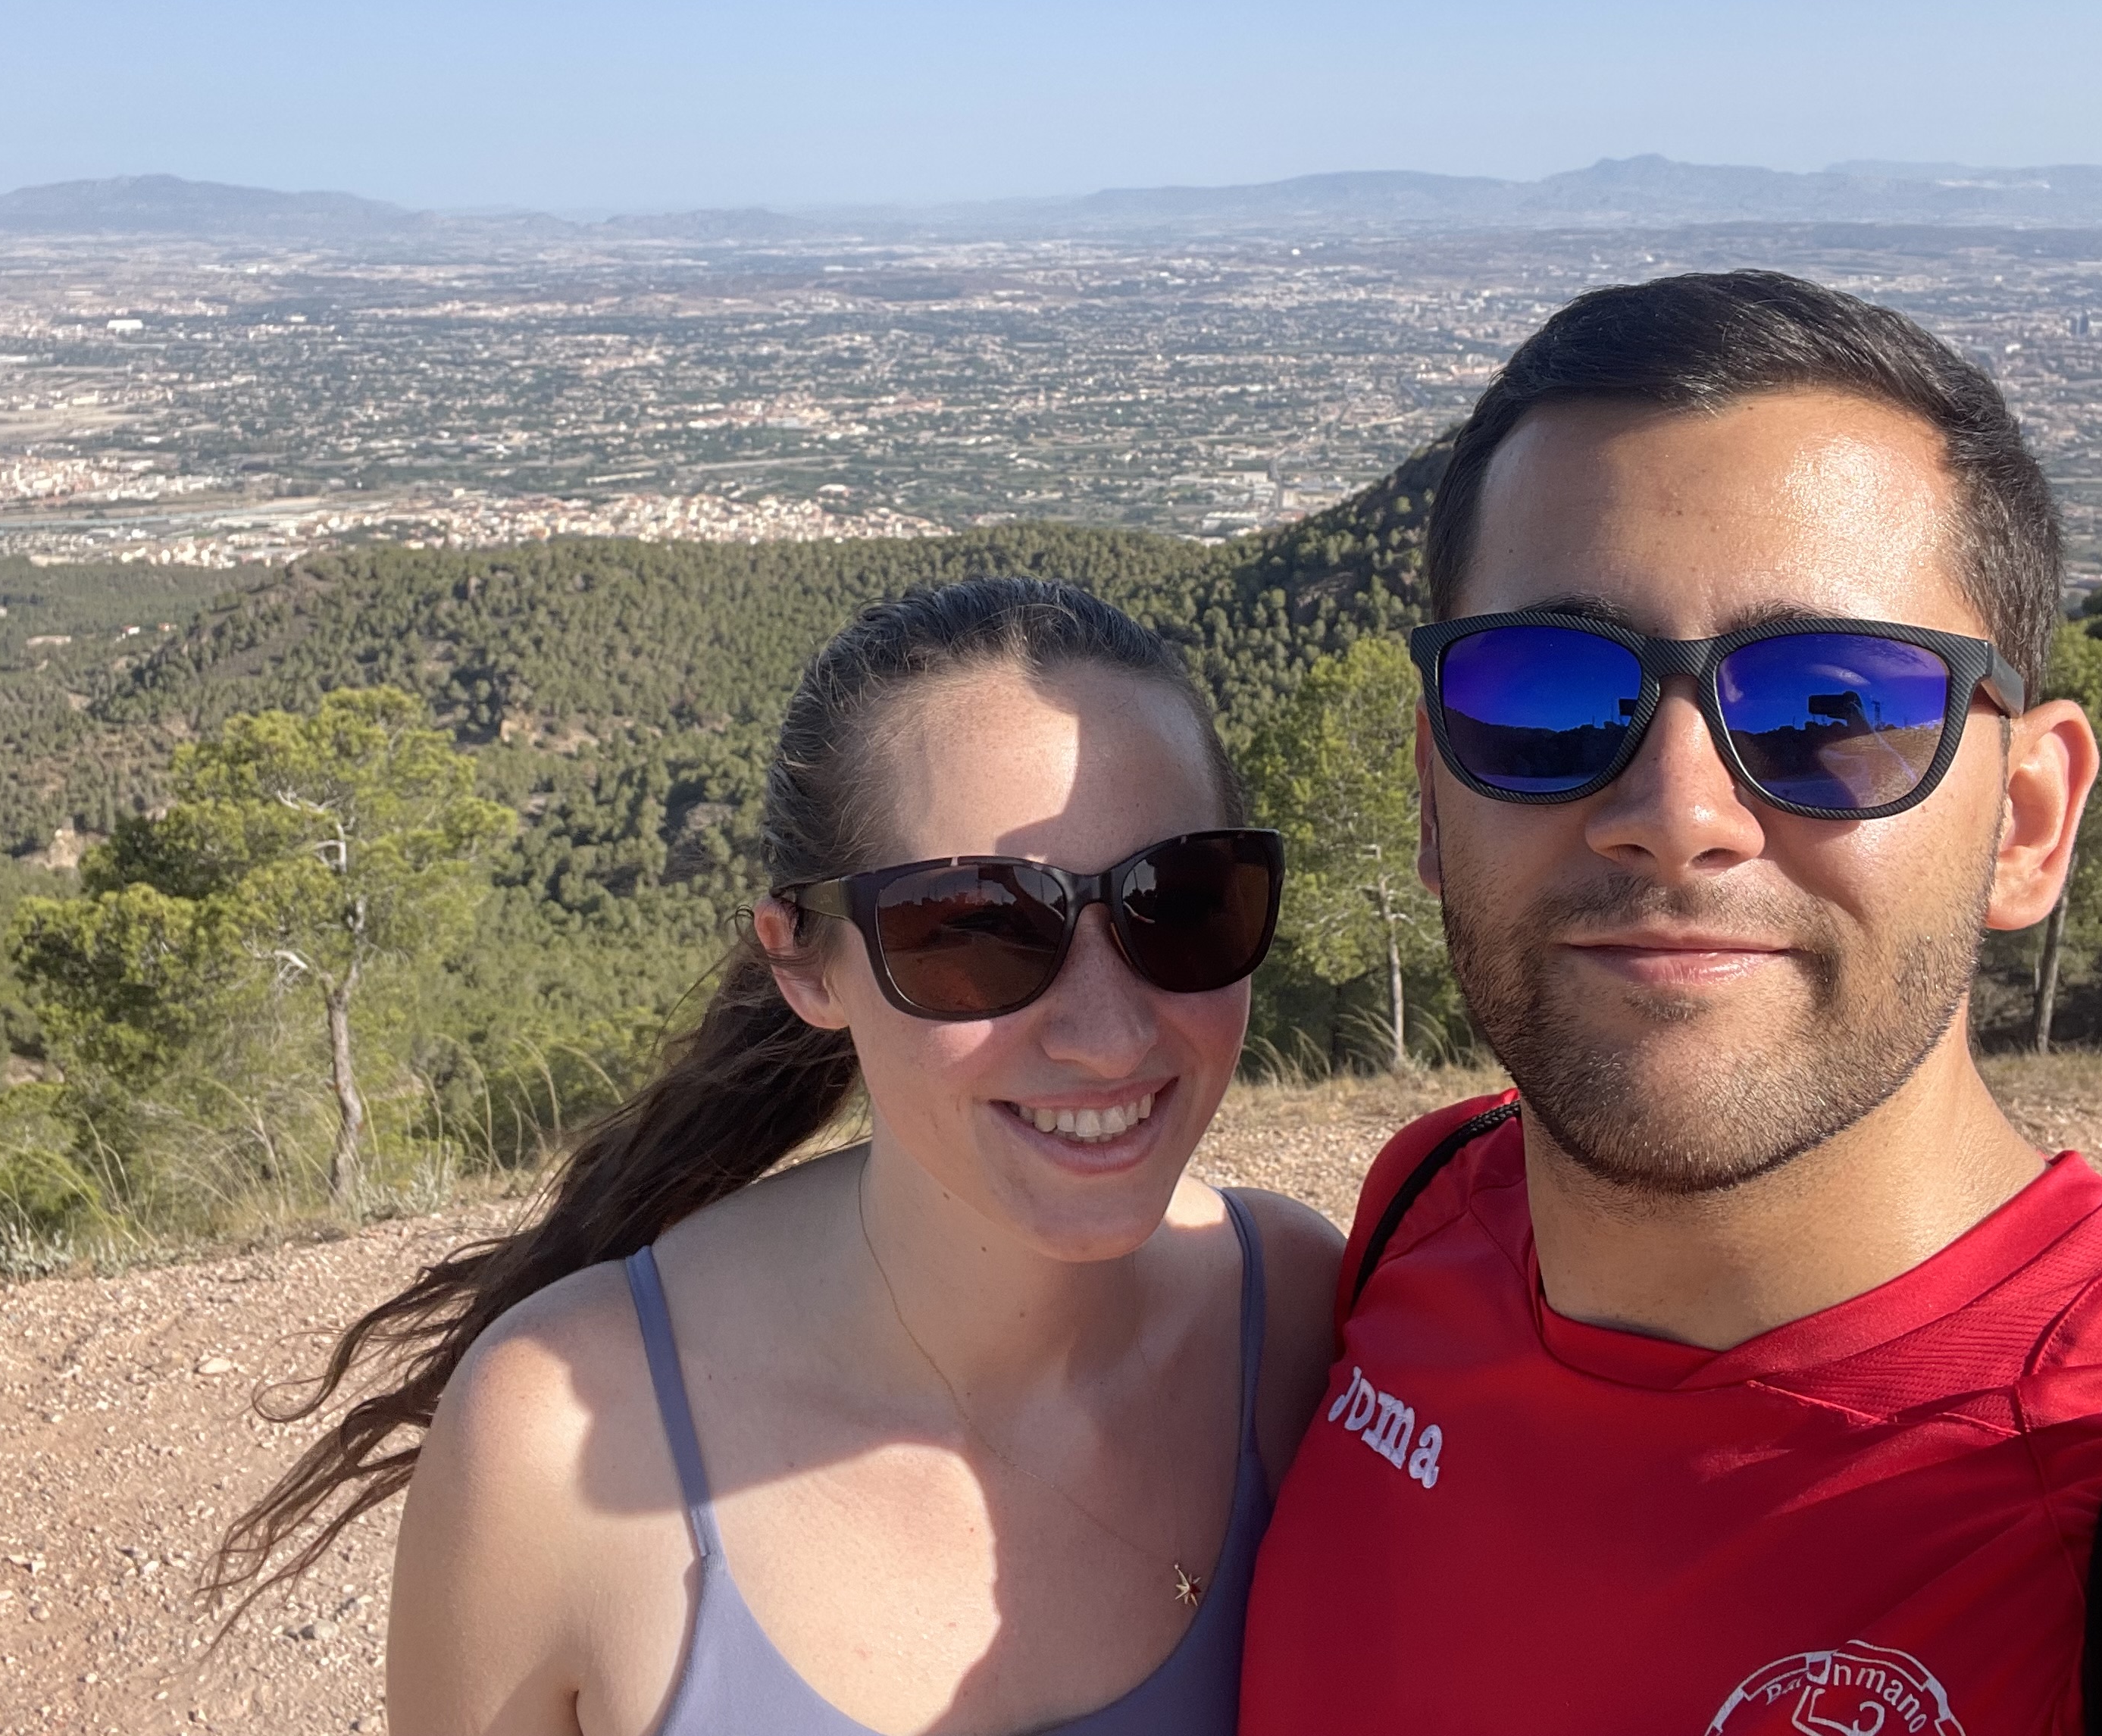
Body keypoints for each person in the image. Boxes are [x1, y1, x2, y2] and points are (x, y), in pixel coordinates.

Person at [1242, 271, 2102, 1735]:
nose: (1677, 815)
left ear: (2029, 821)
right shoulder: (1431, 1204)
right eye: (1548, 696)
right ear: (1427, 792)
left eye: (1828, 707)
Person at [214, 577, 1341, 1736]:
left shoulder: (1301, 1315)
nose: (1108, 1035)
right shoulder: (549, 1447)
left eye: (1185, 902)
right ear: (803, 962)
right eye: (974, 931)